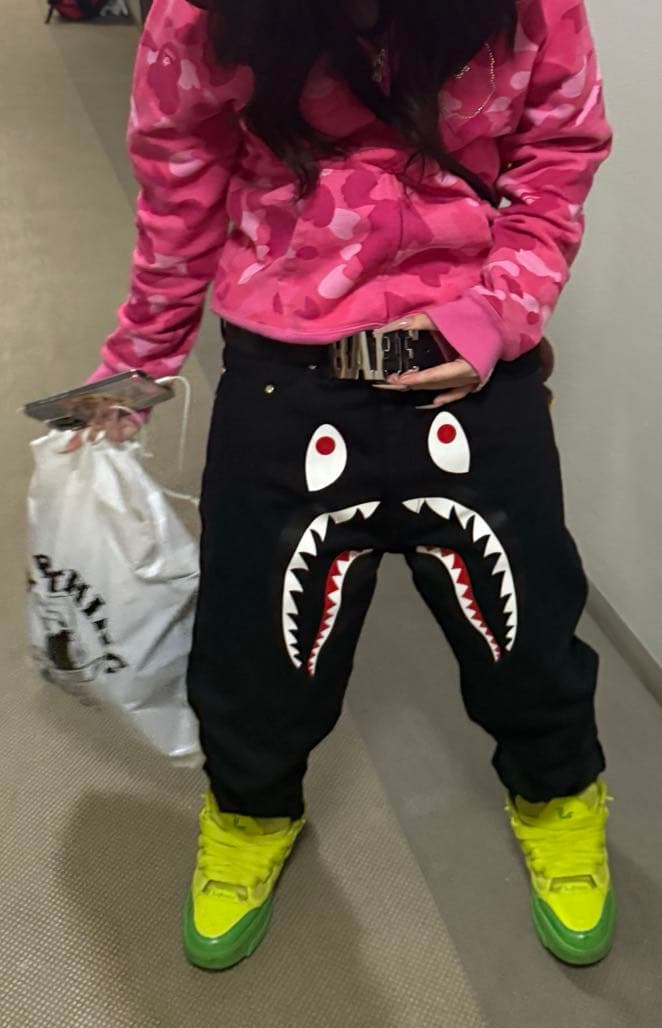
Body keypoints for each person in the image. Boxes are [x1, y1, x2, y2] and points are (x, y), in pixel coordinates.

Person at [82, 0, 615, 971]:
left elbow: (557, 157)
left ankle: (559, 793)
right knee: (256, 637)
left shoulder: (532, 9)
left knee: (528, 621)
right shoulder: (200, 17)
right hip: (287, 370)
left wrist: (499, 312)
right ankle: (250, 809)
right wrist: (137, 363)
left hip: (470, 361)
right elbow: (179, 189)